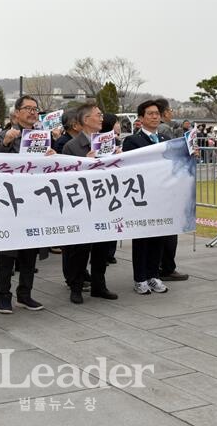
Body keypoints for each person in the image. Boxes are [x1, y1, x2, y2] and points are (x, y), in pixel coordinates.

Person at [0, 95, 47, 314]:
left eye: (35, 109)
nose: (33, 112)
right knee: (6, 254)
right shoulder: (5, 134)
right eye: (28, 108)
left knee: (29, 254)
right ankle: (3, 296)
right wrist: (5, 144)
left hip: (33, 202)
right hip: (8, 202)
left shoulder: (41, 137)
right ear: (17, 113)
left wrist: (50, 154)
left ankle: (25, 294)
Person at [62, 103, 119, 304]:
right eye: (98, 115)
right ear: (86, 120)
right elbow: (67, 178)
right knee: (80, 248)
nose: (102, 118)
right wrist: (86, 163)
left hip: (105, 201)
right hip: (82, 205)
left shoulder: (109, 143)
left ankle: (99, 285)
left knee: (102, 247)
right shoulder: (71, 146)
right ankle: (76, 287)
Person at [122, 100, 173, 295]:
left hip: (162, 195)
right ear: (141, 118)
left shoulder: (165, 139)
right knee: (142, 238)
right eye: (150, 114)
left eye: (156, 113)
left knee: (159, 235)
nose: (154, 116)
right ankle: (140, 278)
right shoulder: (133, 141)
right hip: (142, 195)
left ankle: (154, 275)